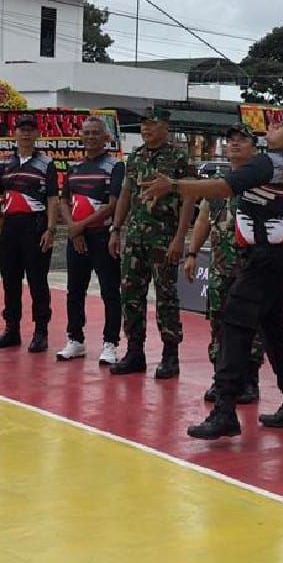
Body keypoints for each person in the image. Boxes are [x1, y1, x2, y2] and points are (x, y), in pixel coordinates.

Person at [141, 114, 283, 438]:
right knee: (275, 334)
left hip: (263, 261)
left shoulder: (270, 163)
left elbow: (222, 188)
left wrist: (174, 185)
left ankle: (225, 410)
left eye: (282, 126)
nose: (274, 125)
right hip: (274, 259)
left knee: (233, 326)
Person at [107, 107, 193, 378]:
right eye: (143, 124)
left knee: (166, 296)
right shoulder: (135, 157)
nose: (146, 129)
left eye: (152, 124)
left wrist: (180, 238)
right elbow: (125, 194)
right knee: (131, 295)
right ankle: (135, 352)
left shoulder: (178, 158)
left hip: (164, 237)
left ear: (165, 127)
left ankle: (170, 355)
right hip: (135, 237)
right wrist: (116, 228)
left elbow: (189, 198)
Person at [184, 123, 263, 404]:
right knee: (218, 323)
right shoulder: (219, 182)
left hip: (251, 270)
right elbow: (203, 219)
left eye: (242, 140)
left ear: (254, 147)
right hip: (220, 267)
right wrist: (192, 253)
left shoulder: (260, 180)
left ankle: (249, 380)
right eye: (231, 140)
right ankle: (221, 379)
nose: (235, 144)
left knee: (252, 326)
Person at [0, 114, 60, 353]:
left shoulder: (47, 164)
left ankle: (41, 331)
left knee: (37, 281)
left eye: (30, 129)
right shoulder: (4, 164)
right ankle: (11, 329)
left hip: (35, 226)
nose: (25, 134)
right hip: (10, 227)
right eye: (21, 129)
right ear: (14, 134)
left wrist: (51, 229)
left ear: (37, 134)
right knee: (10, 281)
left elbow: (53, 199)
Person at [58, 115, 123, 364]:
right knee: (75, 290)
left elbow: (113, 204)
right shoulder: (73, 167)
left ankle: (110, 343)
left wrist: (79, 227)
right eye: (86, 133)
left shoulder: (115, 166)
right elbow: (65, 200)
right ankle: (75, 339)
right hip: (77, 239)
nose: (91, 137)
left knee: (109, 291)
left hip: (102, 237)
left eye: (96, 133)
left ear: (106, 138)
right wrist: (73, 229)